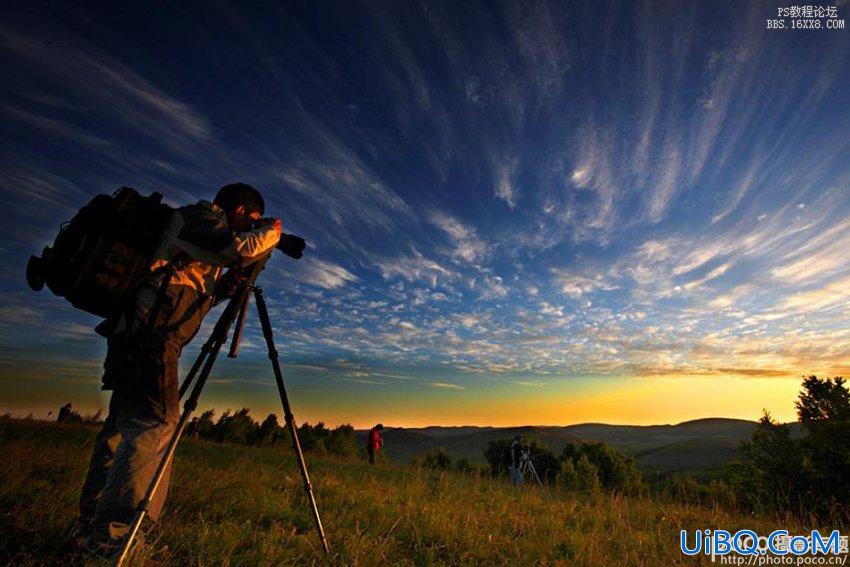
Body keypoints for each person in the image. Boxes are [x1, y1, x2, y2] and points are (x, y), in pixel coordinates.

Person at [75, 183, 282, 557]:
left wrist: (232, 286)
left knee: (121, 431)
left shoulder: (195, 241)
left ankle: (91, 529)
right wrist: (272, 231)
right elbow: (235, 249)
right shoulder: (197, 218)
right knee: (154, 428)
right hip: (150, 338)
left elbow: (197, 299)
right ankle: (117, 538)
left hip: (140, 335)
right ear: (240, 211)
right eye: (251, 220)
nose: (250, 227)